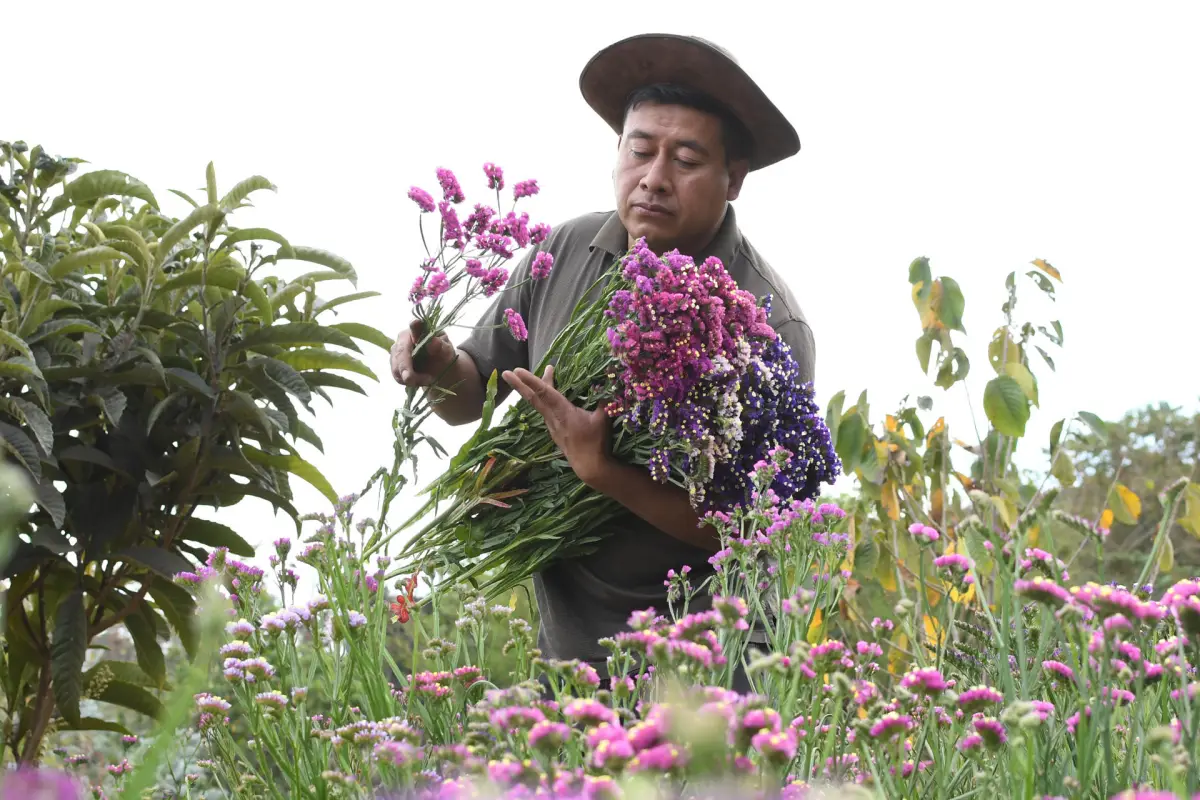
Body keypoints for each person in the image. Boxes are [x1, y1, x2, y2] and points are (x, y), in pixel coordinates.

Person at [390, 33, 815, 691]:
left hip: (703, 657)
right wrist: (438, 363)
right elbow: (470, 394)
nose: (654, 177)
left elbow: (755, 530)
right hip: (570, 648)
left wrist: (601, 469)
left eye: (687, 160)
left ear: (734, 179)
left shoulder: (765, 320)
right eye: (640, 150)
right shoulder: (568, 248)